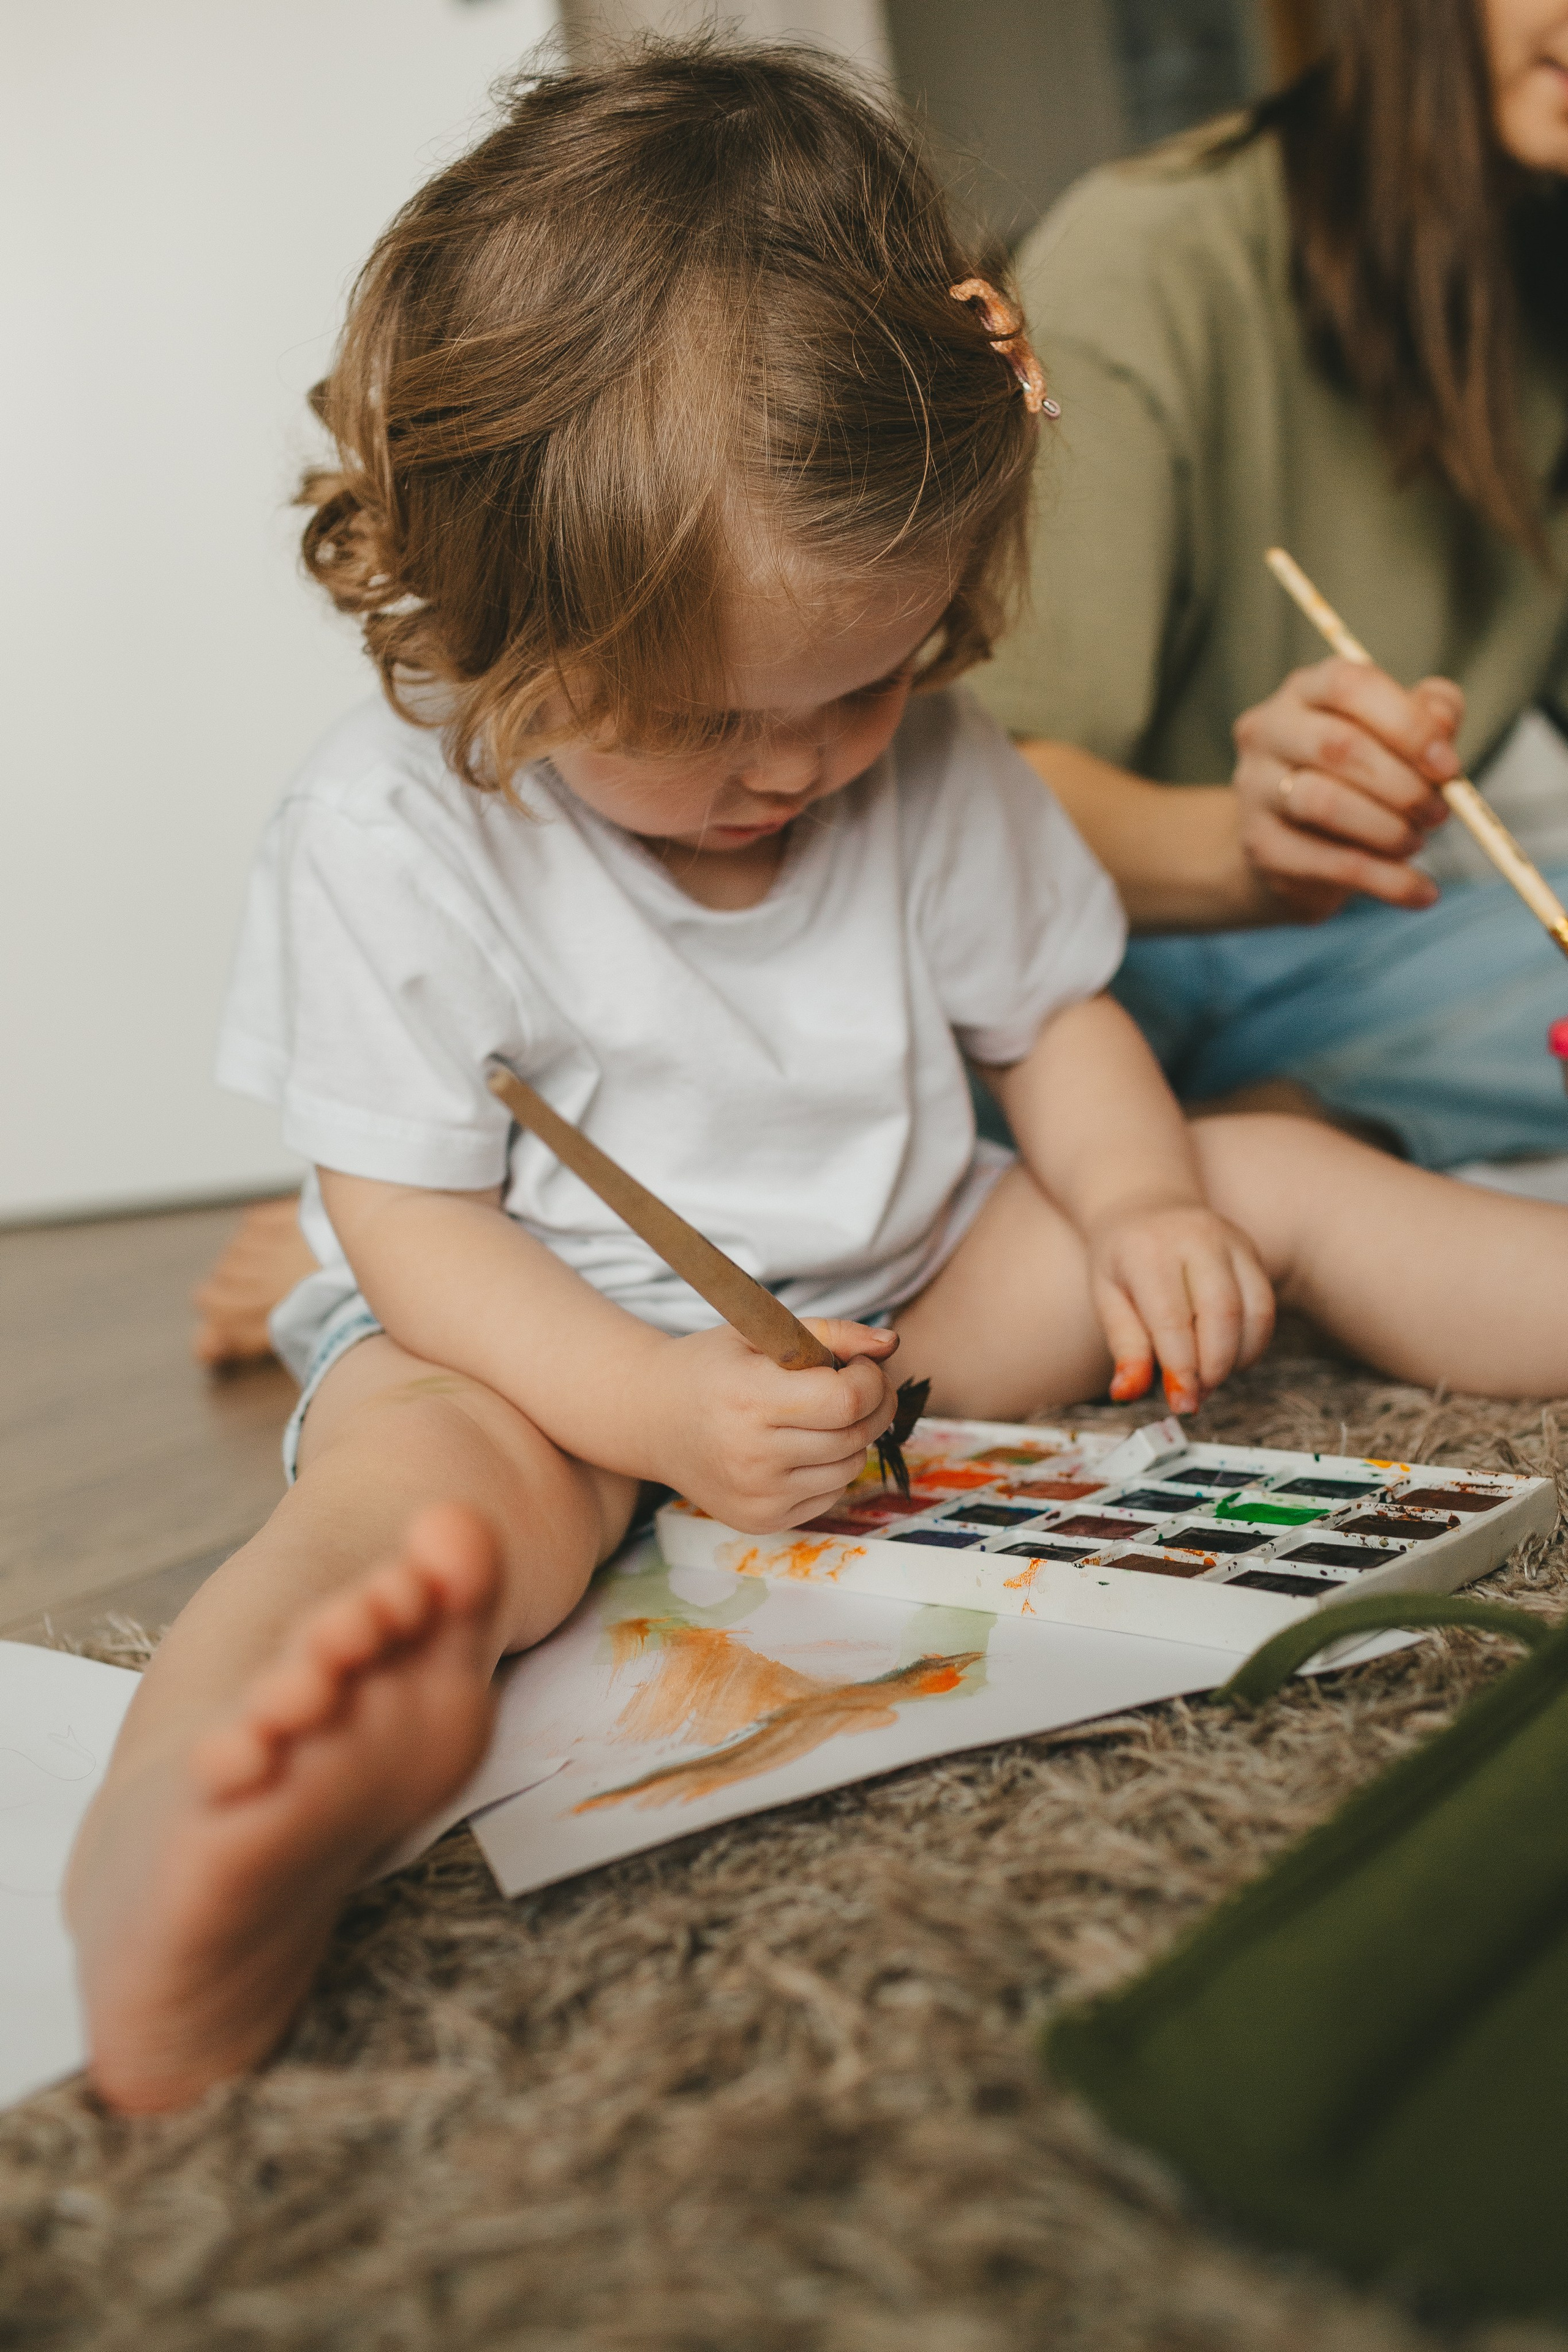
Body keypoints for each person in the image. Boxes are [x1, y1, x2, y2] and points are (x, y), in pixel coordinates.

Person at [70, 42, 1568, 2117]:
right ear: (495, 623)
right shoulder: (386, 840)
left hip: (913, 1294)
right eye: (700, 721)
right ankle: (193, 1850)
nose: (793, 767)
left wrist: (1138, 1214)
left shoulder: (924, 761)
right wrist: (661, 1410)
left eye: (869, 685)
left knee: (1248, 1176)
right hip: (541, 1336)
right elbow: (415, 1234)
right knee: (431, 1518)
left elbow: (1055, 1028)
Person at [975, 0, 1568, 1172]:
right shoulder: (1149, 259)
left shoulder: (1540, 267)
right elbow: (972, 815)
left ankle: (1300, 1135)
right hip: (1094, 965)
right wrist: (1254, 841)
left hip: (1357, 949)